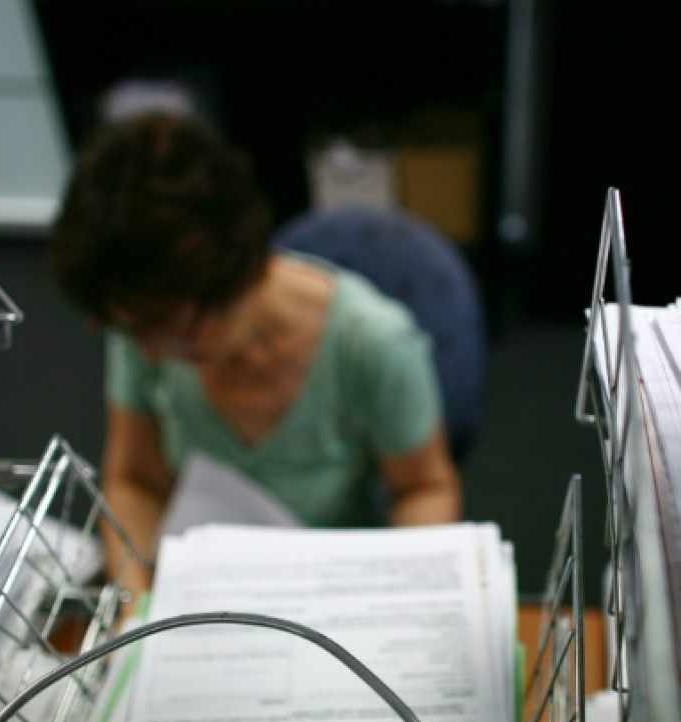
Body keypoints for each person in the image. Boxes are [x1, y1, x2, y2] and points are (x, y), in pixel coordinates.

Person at [48, 111, 462, 604]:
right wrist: (133, 601)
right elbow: (135, 479)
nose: (150, 353)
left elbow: (424, 489)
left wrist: (391, 601)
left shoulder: (373, 343)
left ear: (238, 272)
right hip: (205, 584)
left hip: (333, 588)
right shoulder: (146, 326)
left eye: (174, 331)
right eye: (131, 330)